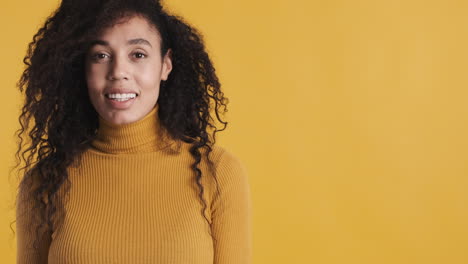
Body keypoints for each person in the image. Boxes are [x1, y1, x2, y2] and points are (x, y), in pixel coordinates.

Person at [14, 0, 252, 263]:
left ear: (166, 65)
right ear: (81, 69)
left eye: (138, 54)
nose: (118, 72)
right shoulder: (44, 182)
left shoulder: (217, 173)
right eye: (100, 55)